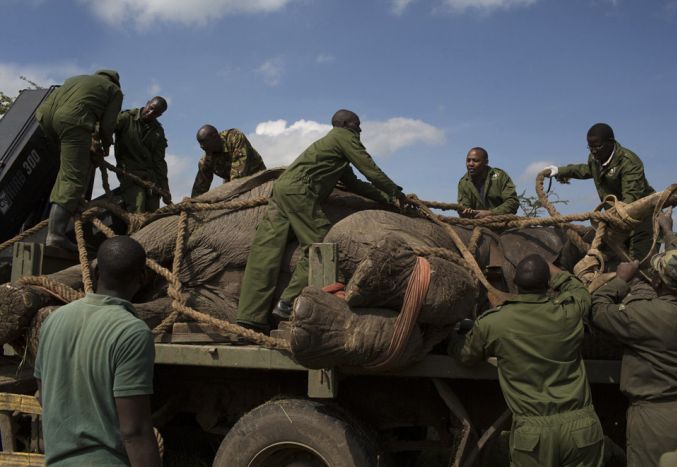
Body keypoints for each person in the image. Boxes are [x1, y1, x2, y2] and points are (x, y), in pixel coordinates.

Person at [236, 109, 409, 332]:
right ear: (346, 124)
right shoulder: (344, 138)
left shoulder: (332, 148)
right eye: (357, 124)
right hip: (300, 193)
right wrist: (397, 193)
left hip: (282, 190)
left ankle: (249, 317)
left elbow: (356, 184)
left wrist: (387, 198)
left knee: (265, 251)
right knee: (321, 245)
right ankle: (288, 302)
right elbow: (370, 170)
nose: (360, 129)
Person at [449, 254, 605, 467]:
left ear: (514, 281)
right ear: (547, 283)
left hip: (533, 436)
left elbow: (465, 355)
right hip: (582, 430)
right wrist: (553, 270)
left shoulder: (495, 323)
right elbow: (579, 291)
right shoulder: (569, 313)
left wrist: (455, 337)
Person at [34, 236, 160, 466]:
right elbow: (135, 431)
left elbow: (43, 396)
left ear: (95, 272)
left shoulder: (54, 320)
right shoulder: (131, 332)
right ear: (142, 277)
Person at [590, 209, 677, 467]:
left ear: (657, 283)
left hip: (655, 423)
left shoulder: (644, 315)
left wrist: (620, 280)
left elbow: (598, 310)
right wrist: (668, 232)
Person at [35, 69, 123, 251]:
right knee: (73, 178)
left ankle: (69, 204)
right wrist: (105, 147)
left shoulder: (76, 78)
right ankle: (56, 235)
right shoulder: (114, 91)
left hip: (46, 117)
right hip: (72, 121)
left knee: (66, 172)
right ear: (115, 81)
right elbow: (107, 125)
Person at [544, 123, 655, 260]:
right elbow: (586, 170)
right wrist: (560, 171)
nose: (594, 151)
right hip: (615, 218)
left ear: (611, 142)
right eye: (590, 147)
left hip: (641, 219)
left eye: (597, 146)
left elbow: (630, 200)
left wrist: (607, 221)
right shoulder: (595, 158)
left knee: (638, 263)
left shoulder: (629, 162)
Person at [114, 96, 171, 212]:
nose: (150, 113)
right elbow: (105, 127)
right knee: (138, 204)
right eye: (150, 108)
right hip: (130, 174)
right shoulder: (126, 118)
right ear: (147, 103)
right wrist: (96, 144)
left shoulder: (158, 132)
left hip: (151, 176)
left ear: (159, 116)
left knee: (154, 211)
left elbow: (159, 161)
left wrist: (165, 188)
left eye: (155, 113)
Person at [190, 124, 266, 197]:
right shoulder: (206, 161)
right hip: (231, 182)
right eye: (200, 143)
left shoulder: (234, 137)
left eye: (204, 142)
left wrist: (227, 193)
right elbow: (200, 188)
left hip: (257, 175)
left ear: (215, 137)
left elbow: (238, 174)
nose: (201, 146)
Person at [457, 147, 519, 218]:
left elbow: (513, 202)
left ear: (486, 162)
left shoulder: (500, 176)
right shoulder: (463, 182)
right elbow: (464, 206)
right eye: (468, 160)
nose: (471, 164)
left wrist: (490, 213)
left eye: (475, 160)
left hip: (502, 222)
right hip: (476, 224)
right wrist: (463, 212)